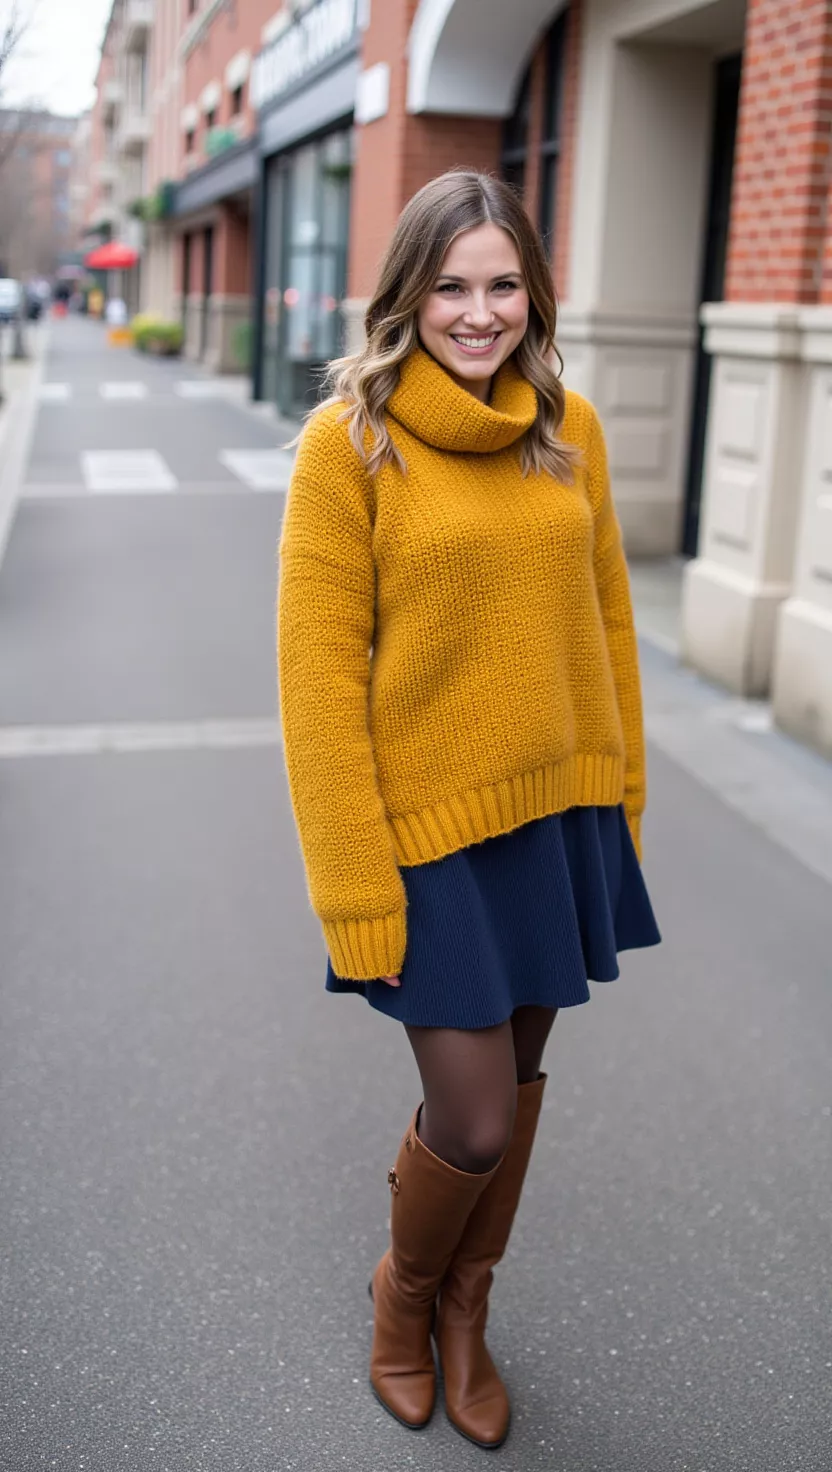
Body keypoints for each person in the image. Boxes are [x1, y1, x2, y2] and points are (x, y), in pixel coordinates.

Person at [277, 169, 660, 1450]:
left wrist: (624, 809)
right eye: (451, 285)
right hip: (426, 840)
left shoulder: (571, 430)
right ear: (407, 294)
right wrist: (351, 882)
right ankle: (404, 1298)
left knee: (522, 1082)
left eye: (502, 284)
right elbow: (318, 679)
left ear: (533, 295)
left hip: (558, 820)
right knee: (475, 1114)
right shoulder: (353, 443)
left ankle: (464, 1315)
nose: (479, 312)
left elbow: (608, 626)